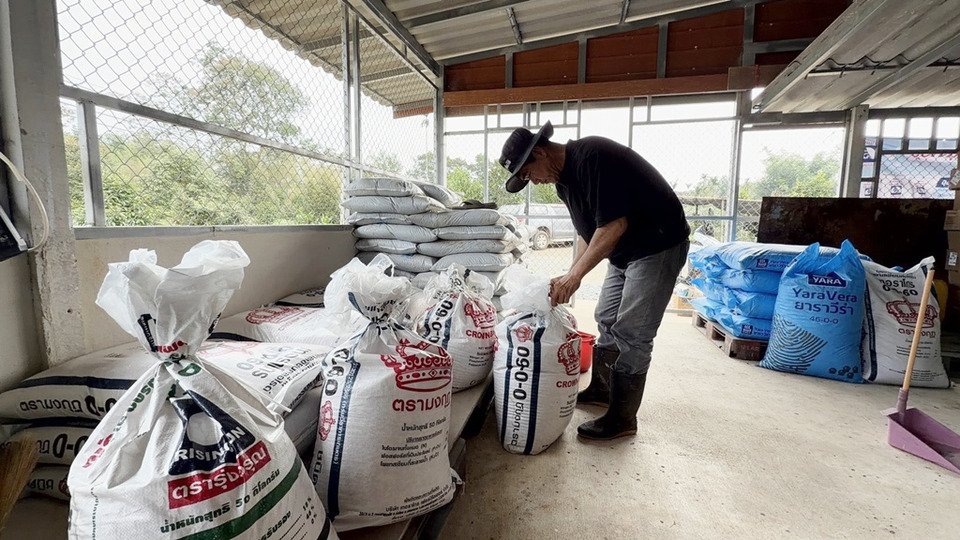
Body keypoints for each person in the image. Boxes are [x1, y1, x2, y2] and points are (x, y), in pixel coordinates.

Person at [497, 120, 690, 441]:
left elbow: (613, 225)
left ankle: (623, 418)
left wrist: (575, 277)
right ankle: (602, 389)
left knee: (633, 332)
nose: (534, 181)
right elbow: (588, 233)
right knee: (606, 317)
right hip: (625, 250)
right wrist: (569, 274)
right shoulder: (564, 184)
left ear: (540, 153)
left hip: (657, 245)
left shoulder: (593, 157)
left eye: (529, 173)